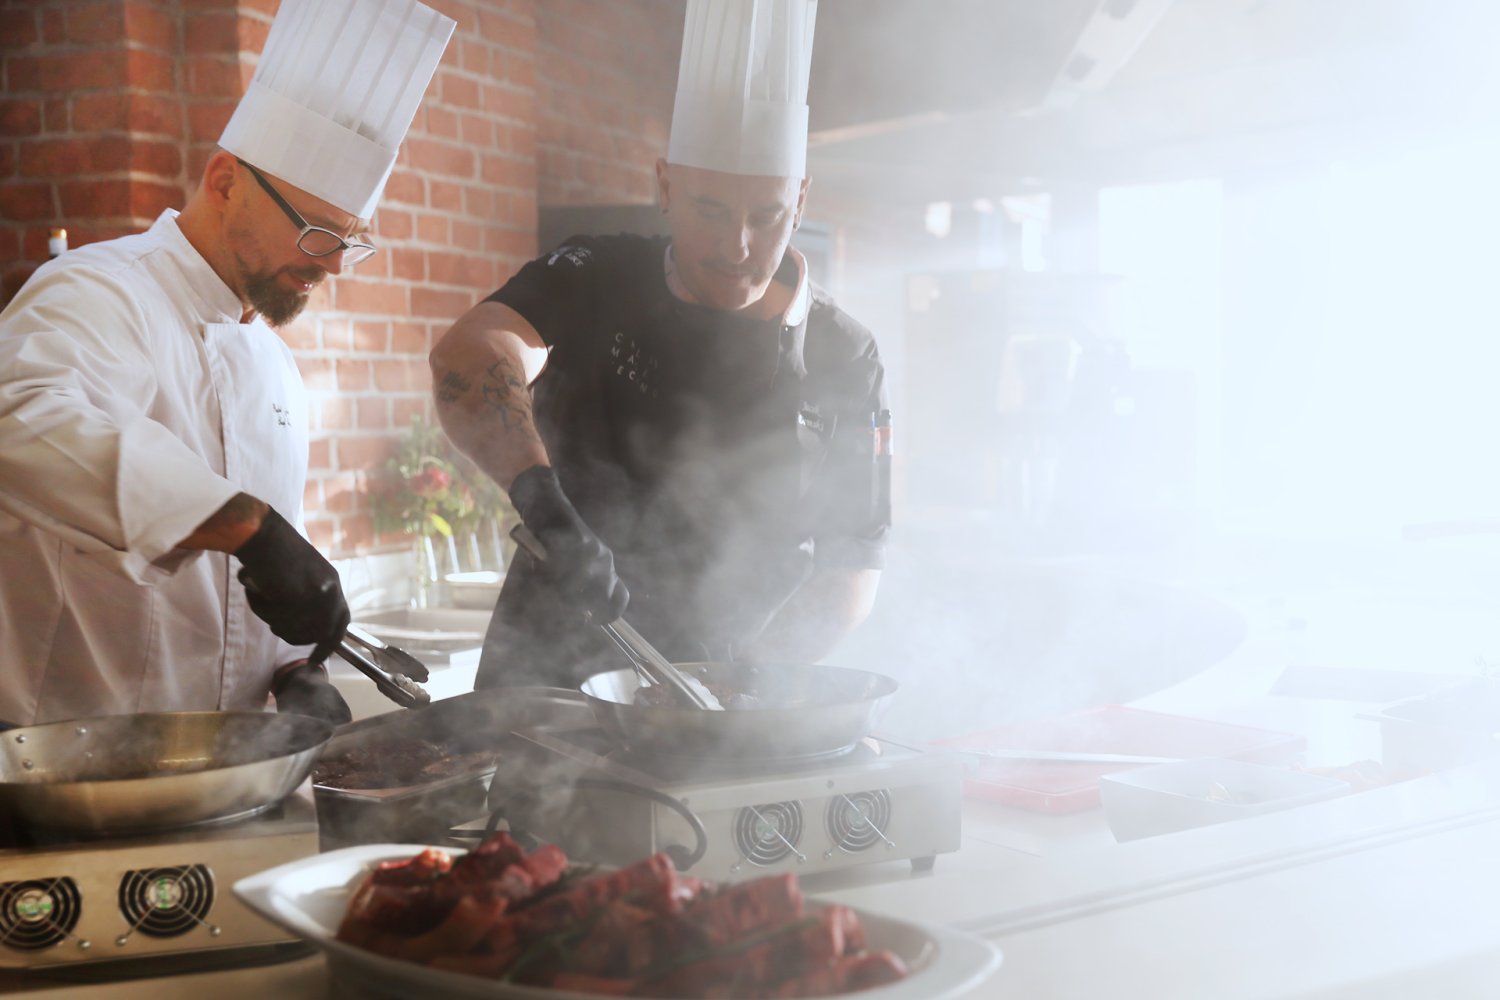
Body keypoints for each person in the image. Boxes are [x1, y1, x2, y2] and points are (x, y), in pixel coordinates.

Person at [0, 0, 454, 727]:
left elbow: (254, 587)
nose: (333, 265)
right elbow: (20, 420)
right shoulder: (98, 288)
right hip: (73, 765)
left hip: (231, 772)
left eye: (350, 240)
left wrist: (294, 670)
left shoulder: (274, 366)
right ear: (224, 182)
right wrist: (248, 524)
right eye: (315, 232)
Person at [431, 0, 891, 689]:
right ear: (666, 185)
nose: (737, 248)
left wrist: (740, 697)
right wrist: (542, 502)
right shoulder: (596, 275)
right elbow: (470, 355)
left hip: (724, 697)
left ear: (799, 202)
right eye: (709, 209)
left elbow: (852, 566)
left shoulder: (845, 356)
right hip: (541, 685)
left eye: (765, 217)